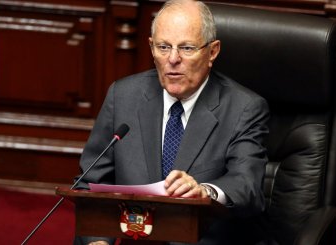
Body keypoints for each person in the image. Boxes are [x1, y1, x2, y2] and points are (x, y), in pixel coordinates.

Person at [74, 0, 270, 244]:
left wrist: (204, 193)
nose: (173, 59)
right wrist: (97, 240)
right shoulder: (123, 96)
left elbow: (247, 186)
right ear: (151, 47)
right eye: (163, 47)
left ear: (212, 51)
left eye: (187, 48)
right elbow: (90, 184)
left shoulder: (244, 108)